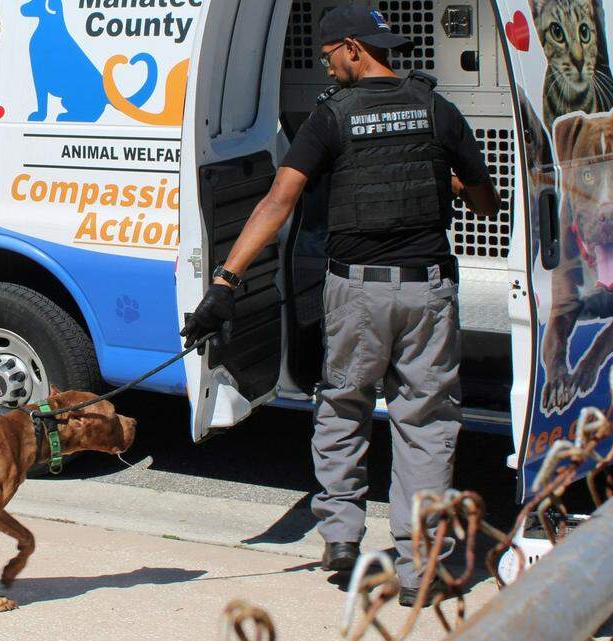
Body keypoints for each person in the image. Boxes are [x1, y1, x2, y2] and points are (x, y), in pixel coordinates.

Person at [180, 5, 500, 607]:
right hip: (427, 291)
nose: (327, 67)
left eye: (329, 56)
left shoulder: (332, 117)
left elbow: (278, 200)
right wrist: (452, 187)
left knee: (343, 405)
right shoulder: (438, 110)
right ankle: (419, 570)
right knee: (426, 426)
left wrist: (225, 281)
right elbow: (487, 201)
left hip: (355, 292)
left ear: (352, 48)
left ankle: (342, 537)